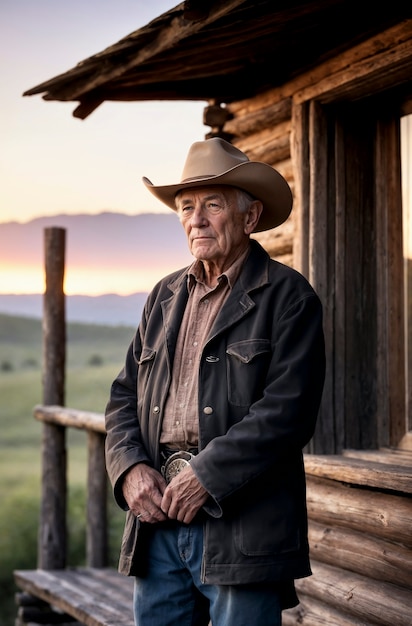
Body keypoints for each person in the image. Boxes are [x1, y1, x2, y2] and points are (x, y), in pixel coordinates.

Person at [105, 137, 326, 626]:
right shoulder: (163, 296)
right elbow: (124, 396)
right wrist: (130, 470)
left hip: (243, 527)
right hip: (157, 518)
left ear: (249, 218)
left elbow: (288, 412)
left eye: (212, 205)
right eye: (186, 207)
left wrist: (206, 476)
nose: (196, 219)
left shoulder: (288, 297)